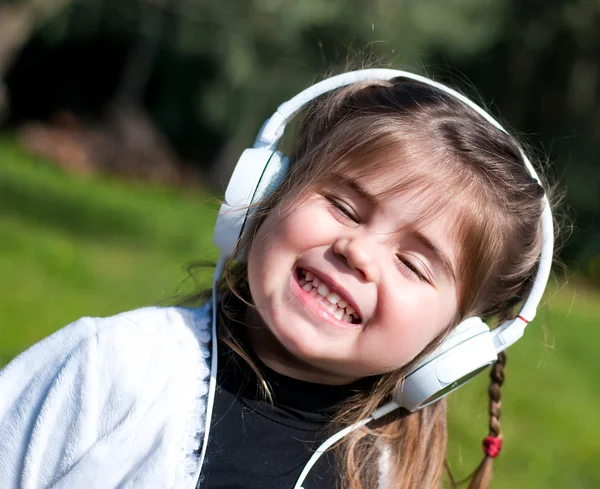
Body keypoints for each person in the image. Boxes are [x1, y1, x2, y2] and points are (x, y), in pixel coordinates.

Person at [0, 69, 555, 489]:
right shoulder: (115, 368)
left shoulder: (385, 475)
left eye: (413, 263)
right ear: (265, 194)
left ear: (452, 347)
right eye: (344, 206)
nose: (357, 251)